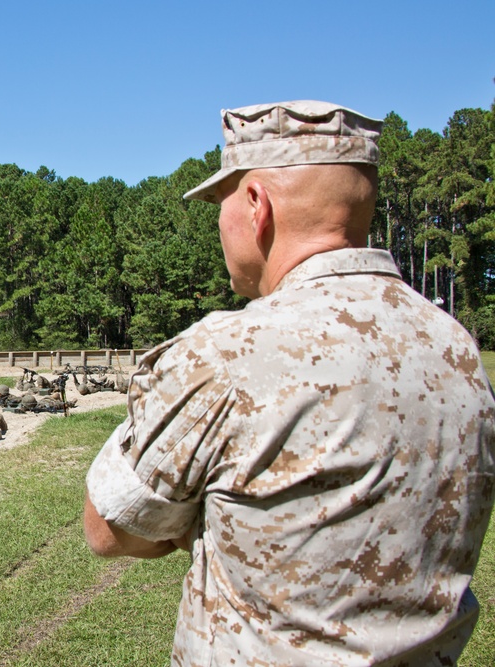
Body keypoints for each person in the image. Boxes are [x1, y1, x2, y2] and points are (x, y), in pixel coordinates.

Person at [83, 101, 495, 666]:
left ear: (257, 206)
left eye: (219, 204)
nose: (219, 225)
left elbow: (110, 530)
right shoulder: (457, 351)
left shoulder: (224, 355)